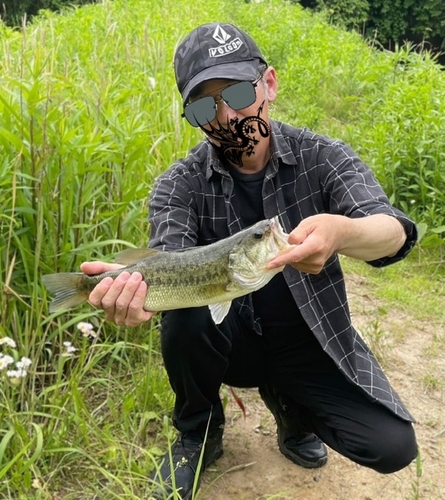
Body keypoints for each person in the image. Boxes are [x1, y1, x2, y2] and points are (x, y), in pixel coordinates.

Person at [81, 22, 418, 500]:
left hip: (307, 340)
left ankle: (292, 410)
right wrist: (135, 295)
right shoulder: (178, 184)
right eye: (204, 105)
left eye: (238, 91)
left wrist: (343, 231)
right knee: (186, 313)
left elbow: (394, 232)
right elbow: (168, 259)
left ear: (269, 85)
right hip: (229, 341)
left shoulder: (325, 157)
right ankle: (199, 431)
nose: (226, 114)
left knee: (392, 446)